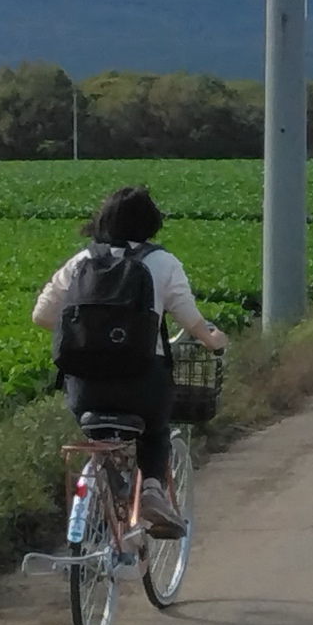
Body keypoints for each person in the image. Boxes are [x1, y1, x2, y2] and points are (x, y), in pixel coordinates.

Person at [32, 185, 227, 536]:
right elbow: (189, 318)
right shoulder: (162, 262)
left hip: (85, 389)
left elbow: (42, 315)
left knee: (98, 433)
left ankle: (102, 491)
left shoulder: (82, 262)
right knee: (155, 430)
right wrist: (213, 340)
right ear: (152, 224)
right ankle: (152, 489)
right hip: (141, 384)